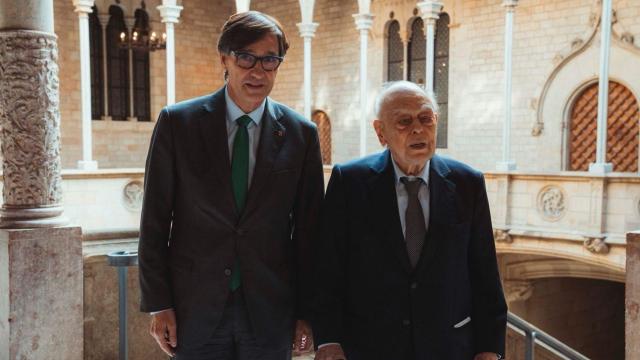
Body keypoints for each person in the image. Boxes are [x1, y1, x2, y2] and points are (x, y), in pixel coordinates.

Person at [138, 11, 324, 360]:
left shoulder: (302, 135)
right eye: (245, 57)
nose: (257, 71)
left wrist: (306, 312)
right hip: (194, 307)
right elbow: (154, 221)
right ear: (224, 58)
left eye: (270, 59)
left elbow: (310, 234)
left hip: (270, 310)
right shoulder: (178, 123)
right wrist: (158, 303)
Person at [312, 81, 507, 360]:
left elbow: (485, 272)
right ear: (381, 132)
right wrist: (328, 339)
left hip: (448, 347)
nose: (418, 129)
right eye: (404, 121)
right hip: (369, 347)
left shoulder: (467, 183)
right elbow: (329, 268)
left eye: (425, 118)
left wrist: (489, 348)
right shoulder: (349, 182)